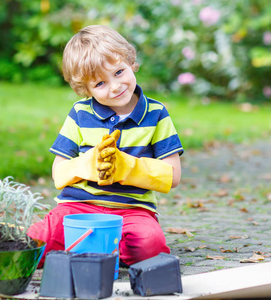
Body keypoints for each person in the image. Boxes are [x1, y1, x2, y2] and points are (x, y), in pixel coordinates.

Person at [28, 25, 183, 267]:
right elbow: (58, 173)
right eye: (99, 84)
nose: (115, 86)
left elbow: (172, 176)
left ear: (131, 62)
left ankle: (93, 249)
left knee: (151, 248)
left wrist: (126, 167)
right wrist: (88, 164)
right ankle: (97, 247)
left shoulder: (156, 113)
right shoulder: (80, 113)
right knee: (35, 240)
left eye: (119, 72)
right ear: (85, 89)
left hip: (133, 210)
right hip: (77, 208)